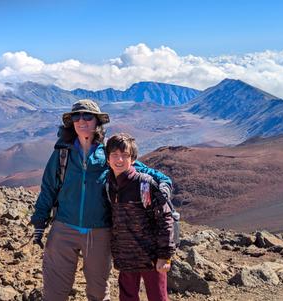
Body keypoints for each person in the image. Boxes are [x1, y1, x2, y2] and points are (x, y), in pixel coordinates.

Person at [30, 99, 172, 301]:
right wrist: (39, 220)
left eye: (87, 116)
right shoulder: (62, 153)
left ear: (97, 122)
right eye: (76, 117)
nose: (81, 120)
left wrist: (164, 183)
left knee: (98, 292)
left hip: (99, 231)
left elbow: (137, 168)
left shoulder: (108, 153)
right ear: (71, 123)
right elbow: (48, 188)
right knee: (54, 292)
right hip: (63, 227)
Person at [105, 133, 175, 301]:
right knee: (127, 297)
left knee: (158, 297)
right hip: (126, 256)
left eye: (125, 155)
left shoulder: (144, 184)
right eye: (114, 155)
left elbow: (165, 218)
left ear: (133, 159)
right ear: (107, 159)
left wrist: (164, 255)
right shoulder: (108, 184)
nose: (119, 160)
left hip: (151, 258)